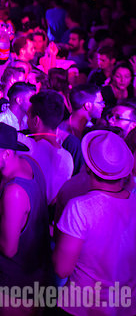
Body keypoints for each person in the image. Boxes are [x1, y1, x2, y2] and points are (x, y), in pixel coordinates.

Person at [53, 130, 136, 316]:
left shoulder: (80, 208)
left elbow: (62, 269)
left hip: (80, 308)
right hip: (124, 307)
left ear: (89, 168)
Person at [0, 123, 51, 314]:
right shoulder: (29, 162)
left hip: (15, 287)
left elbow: (9, 249)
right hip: (34, 276)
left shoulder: (14, 192)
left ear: (7, 154)